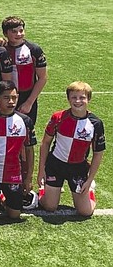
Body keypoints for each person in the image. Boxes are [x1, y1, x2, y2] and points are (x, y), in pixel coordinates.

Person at [37, 81, 104, 217]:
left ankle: (90, 191)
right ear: (68, 99)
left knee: (85, 211)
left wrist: (90, 179)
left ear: (88, 99)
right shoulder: (58, 117)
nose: (78, 101)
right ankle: (45, 190)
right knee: (50, 206)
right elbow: (45, 143)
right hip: (55, 165)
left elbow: (98, 153)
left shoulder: (95, 123)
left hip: (78, 168)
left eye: (82, 97)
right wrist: (41, 170)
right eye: (74, 97)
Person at [0, 81, 36, 219]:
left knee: (14, 216)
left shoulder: (25, 121)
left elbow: (29, 151)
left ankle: (3, 197)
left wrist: (28, 178)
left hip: (13, 174)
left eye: (14, 97)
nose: (11, 101)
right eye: (6, 98)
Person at [2, 16, 47, 125]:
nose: (18, 34)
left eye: (21, 31)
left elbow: (42, 78)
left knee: (25, 132)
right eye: (14, 31)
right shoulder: (1, 49)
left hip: (27, 97)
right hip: (5, 96)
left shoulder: (34, 50)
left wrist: (29, 102)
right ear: (5, 33)